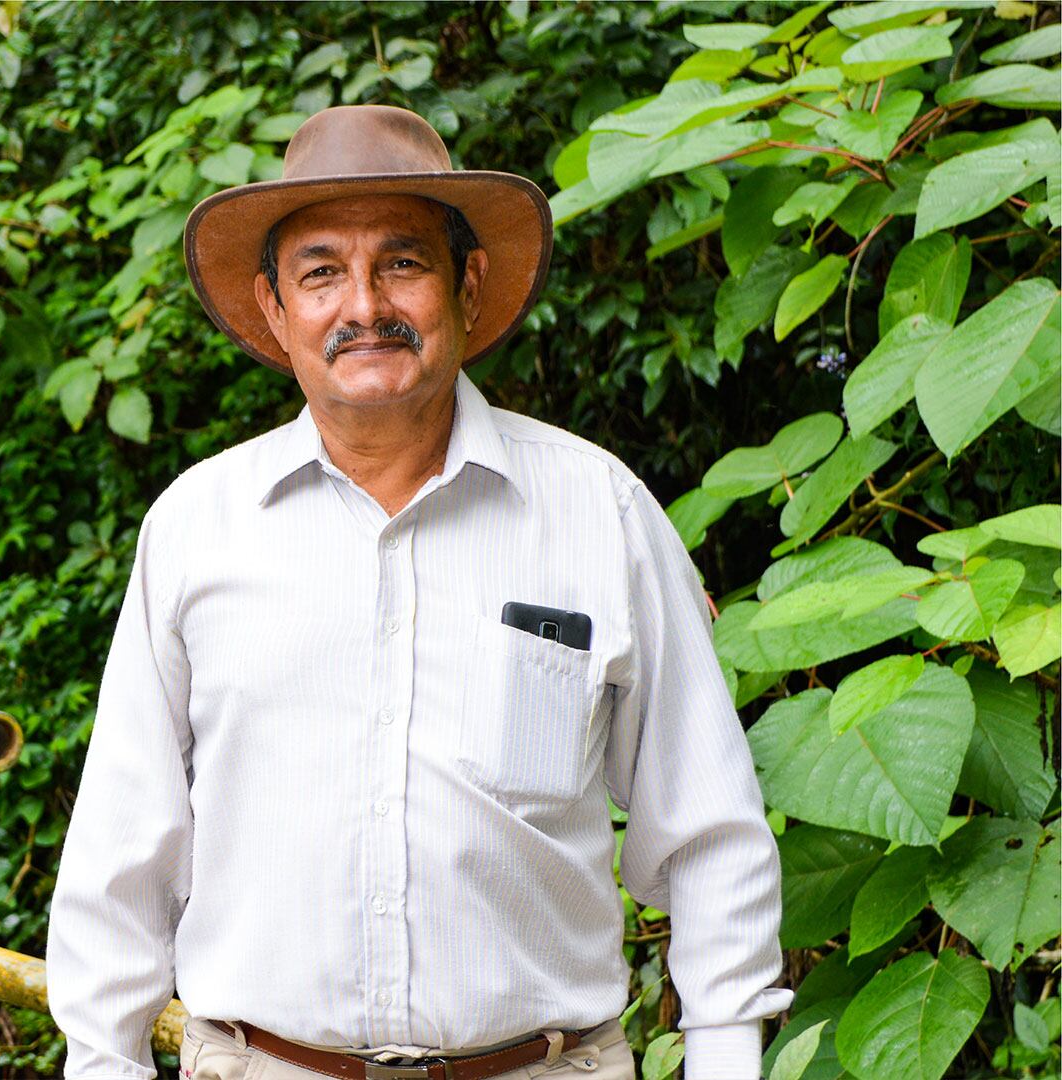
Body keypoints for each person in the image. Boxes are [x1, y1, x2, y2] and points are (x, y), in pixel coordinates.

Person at [44, 105, 792, 1080]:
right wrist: (104, 1060)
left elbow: (710, 833)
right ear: (274, 307)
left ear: (466, 286)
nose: (364, 305)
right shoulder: (198, 527)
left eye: (401, 263)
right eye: (321, 273)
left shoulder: (597, 511)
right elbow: (123, 846)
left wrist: (726, 1058)